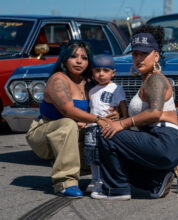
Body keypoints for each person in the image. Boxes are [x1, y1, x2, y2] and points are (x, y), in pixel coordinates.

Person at [91, 24, 178, 200]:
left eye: (144, 54)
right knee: (117, 143)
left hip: (164, 140)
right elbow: (144, 118)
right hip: (160, 141)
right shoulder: (148, 80)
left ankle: (117, 190)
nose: (139, 58)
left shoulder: (155, 79)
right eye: (135, 54)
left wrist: (122, 124)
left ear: (156, 56)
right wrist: (121, 117)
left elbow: (155, 113)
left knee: (105, 134)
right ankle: (156, 180)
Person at [25, 40, 113, 198]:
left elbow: (103, 107)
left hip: (74, 135)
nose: (79, 61)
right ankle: (65, 183)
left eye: (84, 58)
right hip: (44, 133)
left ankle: (107, 176)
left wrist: (116, 114)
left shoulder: (89, 83)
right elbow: (68, 110)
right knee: (68, 124)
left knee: (106, 132)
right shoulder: (58, 79)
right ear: (64, 59)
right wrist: (97, 119)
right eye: (74, 56)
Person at [84, 54, 128, 193]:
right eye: (97, 70)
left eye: (105, 70)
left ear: (113, 73)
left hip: (108, 127)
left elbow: (122, 106)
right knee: (92, 155)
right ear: (92, 72)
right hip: (91, 127)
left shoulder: (116, 88)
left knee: (105, 154)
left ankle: (104, 180)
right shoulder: (91, 90)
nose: (101, 74)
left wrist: (124, 120)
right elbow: (89, 108)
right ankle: (94, 179)